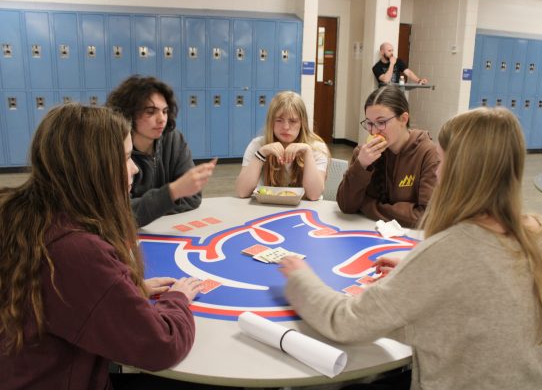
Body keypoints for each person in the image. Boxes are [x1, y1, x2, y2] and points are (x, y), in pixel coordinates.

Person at [279, 107, 542, 390]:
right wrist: (415, 263)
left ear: (462, 171)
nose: (438, 172)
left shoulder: (449, 250)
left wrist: (300, 276)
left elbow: (344, 322)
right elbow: (482, 281)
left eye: (442, 162)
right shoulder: (538, 232)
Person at [0, 104, 203, 389]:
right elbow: (162, 346)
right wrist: (178, 299)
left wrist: (123, 291)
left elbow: (60, 300)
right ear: (93, 168)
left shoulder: (20, 214)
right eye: (126, 158)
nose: (135, 170)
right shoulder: (77, 251)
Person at [106, 75, 216, 227]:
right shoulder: (113, 146)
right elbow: (117, 213)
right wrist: (172, 193)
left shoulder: (174, 140)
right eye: (150, 112)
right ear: (128, 113)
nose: (161, 119)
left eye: (165, 111)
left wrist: (147, 209)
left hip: (165, 230)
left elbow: (192, 197)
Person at [336, 85, 439, 228]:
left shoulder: (428, 153)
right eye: (370, 123)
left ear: (403, 119)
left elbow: (427, 216)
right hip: (367, 234)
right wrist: (361, 166)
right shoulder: (363, 153)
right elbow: (346, 206)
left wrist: (367, 205)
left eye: (381, 122)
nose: (374, 131)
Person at [235, 91, 330, 200]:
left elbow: (314, 195)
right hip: (266, 210)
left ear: (302, 123)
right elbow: (242, 192)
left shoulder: (316, 148)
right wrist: (261, 154)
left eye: (293, 121)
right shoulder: (258, 145)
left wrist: (307, 153)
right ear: (271, 122)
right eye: (279, 120)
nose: (285, 127)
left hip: (303, 210)